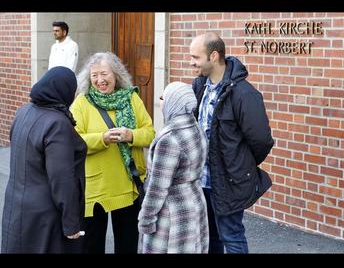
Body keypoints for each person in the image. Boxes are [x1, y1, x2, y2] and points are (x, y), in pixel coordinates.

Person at [189, 32, 274, 254]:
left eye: (196, 57)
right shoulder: (199, 86)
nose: (191, 62)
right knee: (209, 238)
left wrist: (241, 164)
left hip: (227, 182)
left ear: (214, 56)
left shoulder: (244, 94)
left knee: (232, 238)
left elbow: (261, 141)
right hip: (201, 181)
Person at [71, 52, 155, 254]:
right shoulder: (82, 103)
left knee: (127, 245)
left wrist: (131, 135)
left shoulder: (132, 98)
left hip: (127, 186)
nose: (100, 80)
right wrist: (102, 138)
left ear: (116, 75)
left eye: (104, 74)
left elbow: (150, 134)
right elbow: (73, 141)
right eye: (95, 75)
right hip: (96, 189)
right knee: (91, 245)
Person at [1, 67, 87, 254]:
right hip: (46, 212)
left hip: (17, 203)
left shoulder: (24, 111)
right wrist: (71, 223)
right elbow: (61, 179)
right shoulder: (57, 123)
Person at [138, 82, 209, 254]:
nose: (160, 101)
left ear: (174, 102)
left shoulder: (170, 139)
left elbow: (158, 188)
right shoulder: (196, 127)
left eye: (163, 97)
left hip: (172, 212)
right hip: (195, 200)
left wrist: (146, 219)